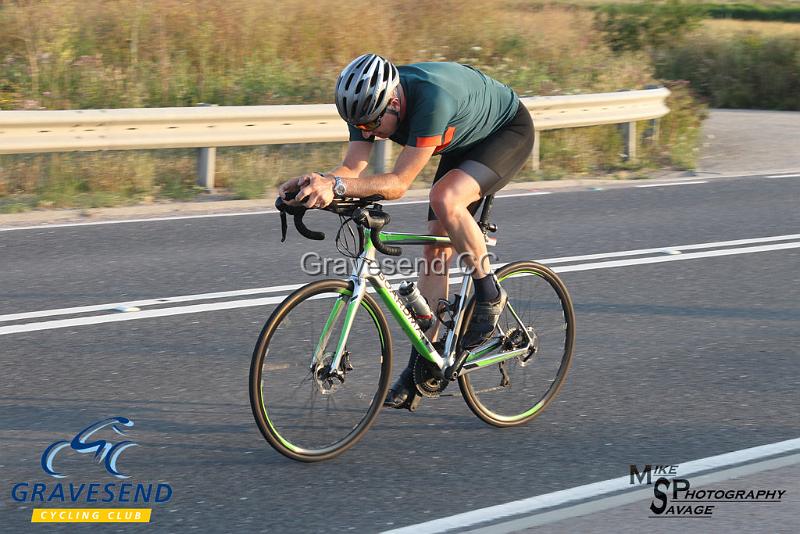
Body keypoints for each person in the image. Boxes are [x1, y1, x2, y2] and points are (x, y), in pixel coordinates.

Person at [278, 53, 535, 411]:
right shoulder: (367, 105)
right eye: (359, 126)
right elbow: (352, 167)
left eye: (370, 124)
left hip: (505, 131)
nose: (367, 133)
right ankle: (425, 367)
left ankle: (490, 292)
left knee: (445, 197)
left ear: (394, 103)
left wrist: (337, 186)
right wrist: (314, 184)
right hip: (461, 138)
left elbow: (398, 184)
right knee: (435, 248)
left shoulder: (430, 100)